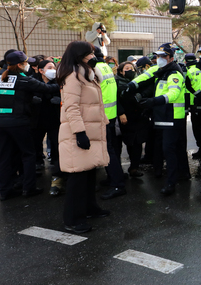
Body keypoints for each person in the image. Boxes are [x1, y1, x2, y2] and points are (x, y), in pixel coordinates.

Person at [57, 41, 110, 233]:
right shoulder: (73, 76)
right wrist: (80, 133)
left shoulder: (85, 74)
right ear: (80, 55)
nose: (92, 56)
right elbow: (71, 107)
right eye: (90, 53)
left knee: (88, 173)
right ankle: (73, 219)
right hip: (78, 133)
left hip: (91, 131)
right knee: (77, 178)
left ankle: (89, 209)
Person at [0, 51, 60, 201]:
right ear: (20, 64)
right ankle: (29, 188)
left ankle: (5, 191)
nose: (28, 65)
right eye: (26, 62)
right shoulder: (23, 80)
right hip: (18, 122)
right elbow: (47, 88)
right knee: (28, 154)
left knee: (3, 157)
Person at [137, 43, 190, 195]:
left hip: (172, 118)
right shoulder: (162, 72)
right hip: (166, 117)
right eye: (158, 56)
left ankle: (171, 184)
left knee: (169, 150)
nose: (159, 59)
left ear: (171, 58)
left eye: (163, 56)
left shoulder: (174, 74)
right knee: (176, 149)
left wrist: (153, 101)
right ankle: (183, 175)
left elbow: (173, 95)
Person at [93, 48, 126, 200]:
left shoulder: (94, 69)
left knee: (108, 151)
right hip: (110, 115)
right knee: (110, 149)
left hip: (102, 116)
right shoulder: (105, 66)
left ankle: (118, 184)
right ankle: (114, 178)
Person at [32, 60, 65, 195]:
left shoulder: (59, 82)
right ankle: (30, 178)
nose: (53, 69)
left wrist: (60, 101)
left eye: (54, 67)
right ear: (41, 70)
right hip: (37, 121)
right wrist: (31, 101)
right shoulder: (32, 82)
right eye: (49, 67)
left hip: (54, 121)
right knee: (33, 147)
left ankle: (57, 178)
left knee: (57, 149)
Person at [114, 61, 149, 178]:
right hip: (125, 117)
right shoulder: (116, 82)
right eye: (126, 68)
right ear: (120, 71)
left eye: (132, 68)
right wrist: (121, 113)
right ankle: (119, 171)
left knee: (138, 143)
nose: (130, 70)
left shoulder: (138, 80)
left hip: (139, 116)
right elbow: (115, 99)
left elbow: (147, 91)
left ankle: (134, 167)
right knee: (127, 143)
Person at [185, 49, 201, 160]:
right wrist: (197, 94)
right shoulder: (191, 70)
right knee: (197, 128)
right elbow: (187, 84)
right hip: (196, 103)